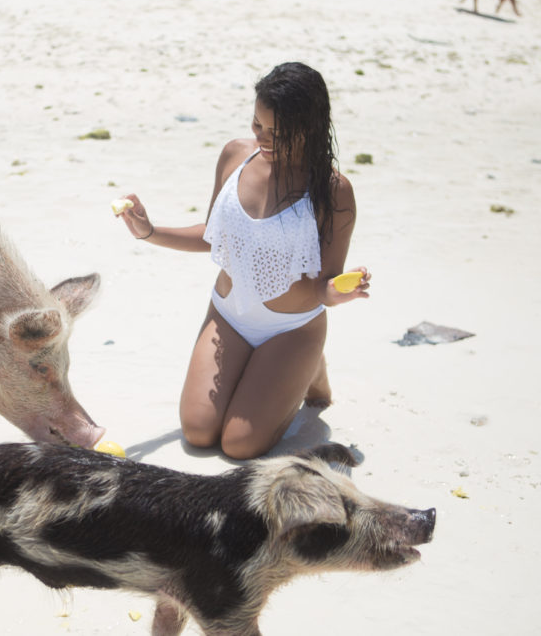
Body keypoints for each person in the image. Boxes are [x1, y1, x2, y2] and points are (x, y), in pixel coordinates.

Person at [116, 62, 370, 460]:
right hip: (228, 316)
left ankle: (309, 367)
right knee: (199, 434)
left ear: (311, 127)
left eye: (278, 133)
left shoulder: (334, 192)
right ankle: (284, 370)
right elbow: (215, 235)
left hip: (291, 329)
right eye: (257, 126)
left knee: (240, 445)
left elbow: (325, 284)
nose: (263, 139)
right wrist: (150, 232)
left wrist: (341, 293)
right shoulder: (236, 156)